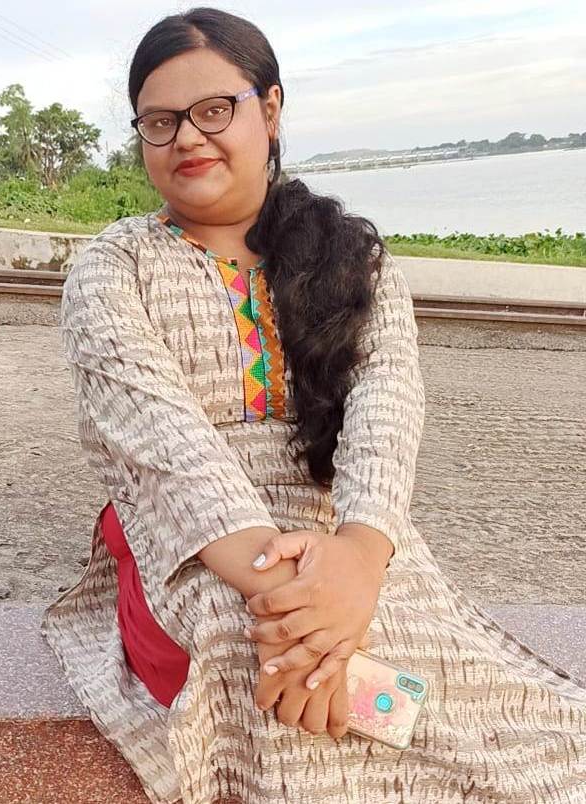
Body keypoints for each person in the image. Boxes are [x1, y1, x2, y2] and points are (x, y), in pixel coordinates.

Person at [42, 7, 586, 804]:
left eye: (213, 110)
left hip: (338, 521)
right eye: (160, 122)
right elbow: (164, 445)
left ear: (269, 110)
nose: (187, 138)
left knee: (427, 653)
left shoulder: (350, 256)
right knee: (257, 648)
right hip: (190, 538)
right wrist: (299, 605)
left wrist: (359, 564)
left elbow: (386, 403)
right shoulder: (112, 268)